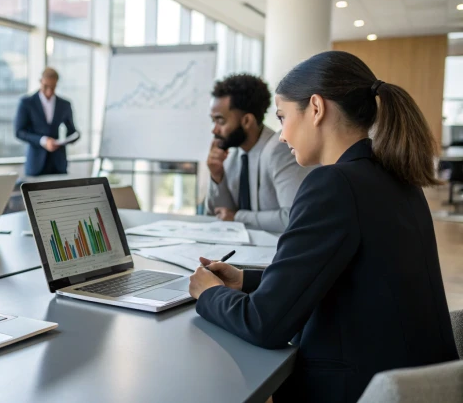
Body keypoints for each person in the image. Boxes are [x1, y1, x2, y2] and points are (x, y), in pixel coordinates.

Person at [189, 51, 458, 403]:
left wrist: (208, 293)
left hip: (355, 387)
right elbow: (345, 275)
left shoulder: (333, 184)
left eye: (283, 117)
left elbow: (264, 324)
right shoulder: (396, 175)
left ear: (316, 108)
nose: (282, 136)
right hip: (414, 380)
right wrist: (245, 280)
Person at [205, 74, 310, 233]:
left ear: (247, 121)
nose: (214, 130)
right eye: (213, 121)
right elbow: (220, 214)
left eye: (221, 121)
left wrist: (238, 217)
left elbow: (294, 217)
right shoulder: (232, 156)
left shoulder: (280, 149)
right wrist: (217, 176)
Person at [14, 67, 79, 176]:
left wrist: (67, 139)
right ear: (40, 81)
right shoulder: (27, 103)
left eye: (52, 87)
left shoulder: (64, 104)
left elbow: (72, 131)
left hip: (58, 163)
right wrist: (43, 141)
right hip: (36, 163)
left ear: (56, 84)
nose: (49, 91)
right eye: (46, 86)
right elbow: (19, 132)